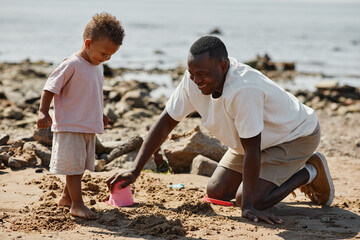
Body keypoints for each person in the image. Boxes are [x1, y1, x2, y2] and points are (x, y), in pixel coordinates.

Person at [107, 36, 334, 224]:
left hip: (294, 136)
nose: (196, 80)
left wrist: (248, 207)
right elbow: (166, 122)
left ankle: (309, 170)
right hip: (252, 141)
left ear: (223, 66)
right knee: (216, 192)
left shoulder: (243, 90)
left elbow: (253, 148)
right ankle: (269, 182)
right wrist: (135, 170)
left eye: (202, 74)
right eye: (192, 73)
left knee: (250, 198)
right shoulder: (193, 80)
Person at [37, 12, 125, 219]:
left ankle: (66, 197)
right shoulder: (72, 64)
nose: (106, 58)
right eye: (104, 53)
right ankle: (77, 205)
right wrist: (43, 111)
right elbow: (50, 87)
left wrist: (100, 114)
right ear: (88, 43)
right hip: (70, 125)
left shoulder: (97, 67)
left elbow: (91, 94)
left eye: (111, 55)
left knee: (81, 165)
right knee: (74, 168)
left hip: (87, 125)